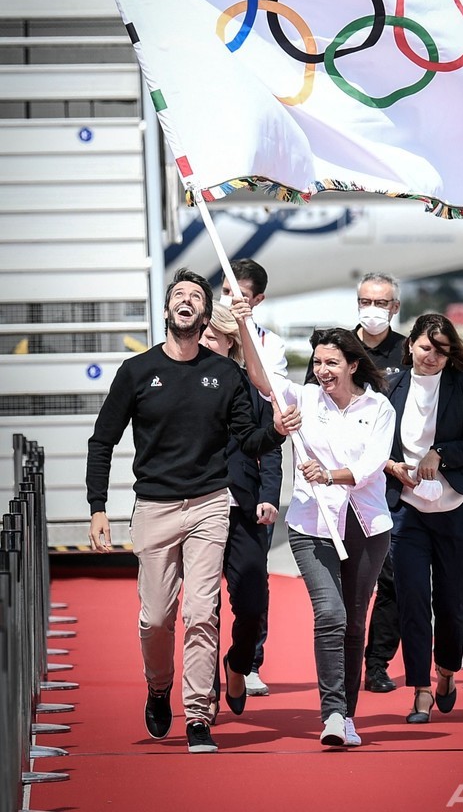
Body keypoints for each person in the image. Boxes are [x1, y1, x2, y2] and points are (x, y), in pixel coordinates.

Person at [85, 268, 299, 754]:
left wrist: (277, 432)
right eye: (178, 294)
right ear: (168, 310)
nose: (186, 300)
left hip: (209, 505)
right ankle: (159, 686)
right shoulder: (136, 371)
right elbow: (102, 441)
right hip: (154, 507)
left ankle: (199, 714)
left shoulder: (225, 374)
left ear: (204, 315)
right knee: (156, 618)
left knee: (202, 612)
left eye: (195, 297)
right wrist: (98, 507)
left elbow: (249, 440)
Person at [234, 298, 396, 747]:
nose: (322, 370)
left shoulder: (379, 407)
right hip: (312, 525)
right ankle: (333, 714)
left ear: (353, 365)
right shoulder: (303, 399)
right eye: (318, 362)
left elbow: (371, 465)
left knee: (354, 623)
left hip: (366, 526)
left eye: (332, 363)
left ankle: (348, 716)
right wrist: (245, 322)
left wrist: (330, 474)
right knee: (330, 613)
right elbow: (260, 377)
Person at [384, 313, 463, 724]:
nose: (432, 356)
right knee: (411, 600)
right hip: (407, 512)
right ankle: (420, 690)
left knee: (452, 601)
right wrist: (391, 466)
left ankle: (446, 670)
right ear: (410, 344)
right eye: (426, 347)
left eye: (441, 351)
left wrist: (439, 453)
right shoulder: (390, 385)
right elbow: (375, 443)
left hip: (455, 509)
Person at [305, 272, 405, 694]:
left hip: (393, 484)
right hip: (345, 489)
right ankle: (346, 687)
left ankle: (376, 662)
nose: (373, 309)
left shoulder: (407, 351)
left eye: (381, 302)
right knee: (340, 607)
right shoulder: (335, 350)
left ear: (395, 307)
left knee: (392, 584)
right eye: (366, 301)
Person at [200, 304, 283, 722]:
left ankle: (238, 663)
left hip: (244, 508)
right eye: (201, 334)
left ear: (230, 342)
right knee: (203, 609)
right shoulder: (184, 381)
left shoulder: (254, 386)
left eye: (211, 336)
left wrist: (269, 495)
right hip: (197, 507)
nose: (203, 341)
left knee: (251, 602)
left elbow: (270, 448)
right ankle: (204, 692)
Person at [219, 257, 287, 696]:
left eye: (240, 295)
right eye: (226, 291)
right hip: (201, 496)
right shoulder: (195, 341)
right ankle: (204, 678)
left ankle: (248, 661)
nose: (231, 300)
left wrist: (269, 493)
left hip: (247, 492)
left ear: (257, 300)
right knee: (202, 596)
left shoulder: (268, 348)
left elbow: (269, 425)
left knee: (251, 586)